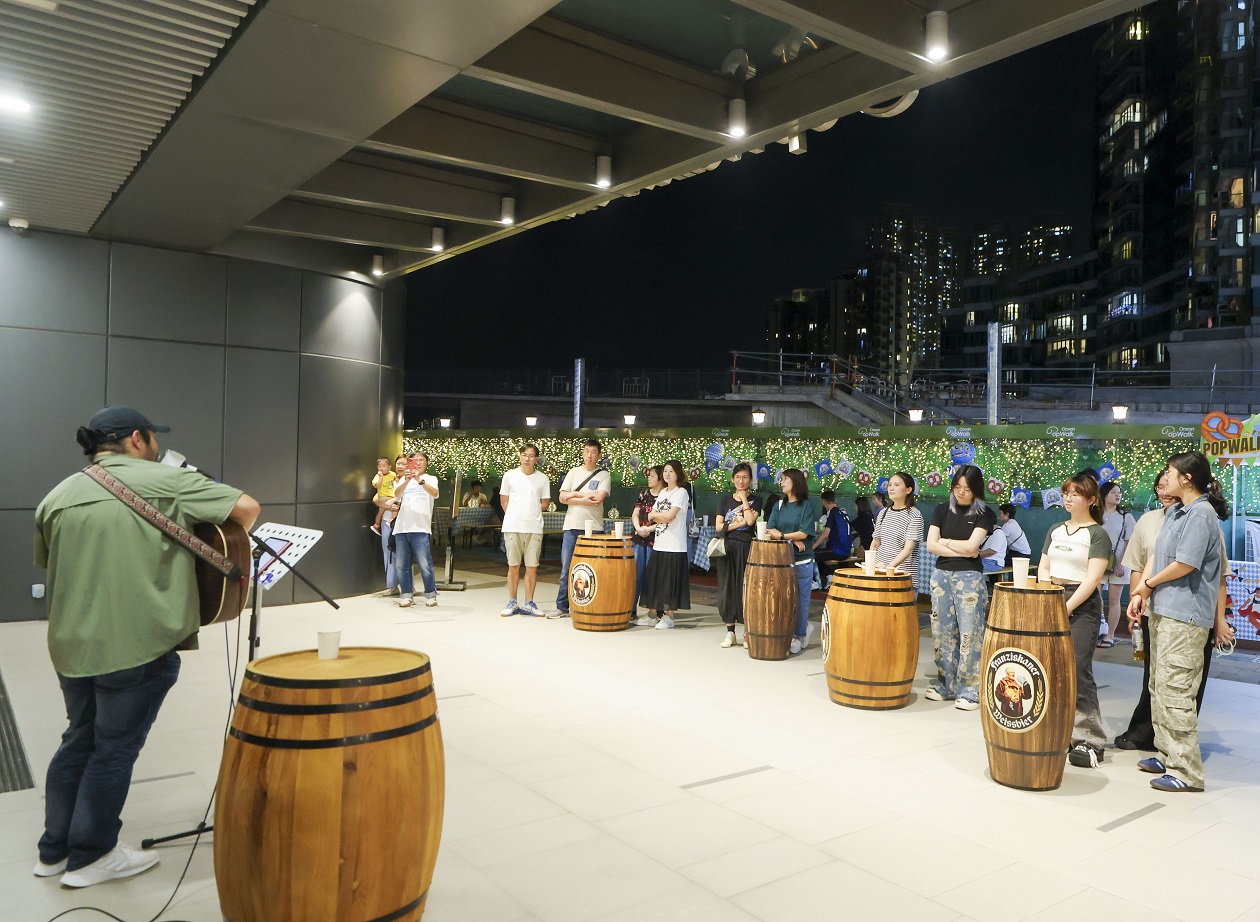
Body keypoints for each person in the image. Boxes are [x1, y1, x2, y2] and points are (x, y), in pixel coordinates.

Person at [33, 406, 259, 888]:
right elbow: (247, 509)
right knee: (112, 750)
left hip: (71, 645)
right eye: (153, 438)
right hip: (136, 642)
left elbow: (49, 562)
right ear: (138, 439)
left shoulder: (57, 495)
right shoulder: (163, 480)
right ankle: (91, 855)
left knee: (79, 739)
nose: (156, 446)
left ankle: (53, 850)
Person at [1126, 451, 1234, 792]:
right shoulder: (1177, 512)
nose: (1165, 478)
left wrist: (1149, 584)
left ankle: (1187, 771)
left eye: (1170, 472)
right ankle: (1166, 752)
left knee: (1177, 692)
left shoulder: (1202, 514)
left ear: (1186, 478)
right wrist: (1141, 594)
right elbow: (1158, 558)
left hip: (1185, 617)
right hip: (1162, 612)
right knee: (1159, 687)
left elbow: (1185, 564)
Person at [1039, 473, 1111, 769]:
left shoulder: (1098, 534)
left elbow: (1093, 579)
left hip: (1082, 604)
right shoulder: (1056, 528)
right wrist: (1047, 595)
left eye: (1076, 493)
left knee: (1078, 668)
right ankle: (1056, 730)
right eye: (1066, 492)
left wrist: (1066, 606)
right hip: (1051, 595)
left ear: (1092, 500)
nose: (1068, 497)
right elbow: (1044, 564)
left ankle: (1089, 739)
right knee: (1050, 666)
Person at [924, 465, 996, 710]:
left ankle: (970, 690)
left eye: (967, 489)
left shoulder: (985, 513)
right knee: (942, 631)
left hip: (969, 577)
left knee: (970, 633)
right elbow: (931, 545)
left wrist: (944, 541)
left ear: (976, 490)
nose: (961, 493)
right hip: (941, 574)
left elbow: (972, 548)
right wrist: (954, 545)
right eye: (957, 488)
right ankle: (947, 684)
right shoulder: (941, 509)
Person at [549, 439, 611, 618]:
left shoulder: (603, 475)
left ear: (598, 455)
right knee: (567, 568)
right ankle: (562, 606)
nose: (589, 455)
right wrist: (582, 498)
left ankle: (592, 605)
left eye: (593, 452)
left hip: (594, 528)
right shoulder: (573, 472)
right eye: (586, 451)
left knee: (593, 569)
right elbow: (561, 497)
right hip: (571, 526)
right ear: (583, 453)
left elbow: (598, 498)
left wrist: (574, 495)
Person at [767, 468, 820, 655]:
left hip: (801, 561)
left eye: (785, 479)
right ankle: (792, 632)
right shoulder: (779, 505)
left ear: (796, 482)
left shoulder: (806, 505)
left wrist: (783, 535)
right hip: (781, 559)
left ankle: (799, 634)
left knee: (801, 599)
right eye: (781, 479)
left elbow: (804, 533)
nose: (781, 483)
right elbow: (769, 529)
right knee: (783, 598)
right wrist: (791, 539)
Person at [498, 444, 551, 617]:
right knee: (513, 566)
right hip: (512, 527)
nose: (527, 458)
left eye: (531, 455)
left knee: (532, 567)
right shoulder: (509, 476)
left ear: (536, 458)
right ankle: (512, 602)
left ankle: (529, 603)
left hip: (534, 528)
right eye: (524, 455)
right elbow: (503, 501)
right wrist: (515, 515)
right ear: (520, 456)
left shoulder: (542, 478)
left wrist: (531, 511)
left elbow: (545, 503)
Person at [638, 460, 692, 629]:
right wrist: (659, 516)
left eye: (671, 471)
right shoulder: (662, 493)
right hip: (659, 543)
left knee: (672, 581)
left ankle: (669, 616)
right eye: (666, 471)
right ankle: (652, 615)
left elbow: (669, 517)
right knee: (654, 580)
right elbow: (650, 515)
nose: (667, 474)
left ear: (678, 474)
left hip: (674, 545)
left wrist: (658, 515)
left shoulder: (681, 493)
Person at [714, 462, 761, 648]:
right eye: (738, 477)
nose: (741, 481)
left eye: (745, 477)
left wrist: (743, 501)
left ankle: (747, 633)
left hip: (746, 547)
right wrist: (738, 523)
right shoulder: (724, 501)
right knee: (727, 587)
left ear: (750, 480)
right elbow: (719, 527)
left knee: (745, 588)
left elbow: (750, 522)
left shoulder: (756, 500)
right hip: (727, 548)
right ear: (733, 479)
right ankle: (730, 631)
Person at [389, 452, 439, 608]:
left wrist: (419, 480)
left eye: (421, 460)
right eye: (414, 461)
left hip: (421, 527)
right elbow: (396, 494)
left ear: (426, 463)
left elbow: (435, 493)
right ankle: (406, 594)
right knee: (402, 564)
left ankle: (430, 594)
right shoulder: (404, 479)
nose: (417, 463)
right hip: (402, 528)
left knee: (425, 564)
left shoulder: (431, 479)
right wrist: (408, 479)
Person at [1098, 482, 1137, 647]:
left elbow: (1130, 543)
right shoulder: (1095, 514)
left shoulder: (1126, 516)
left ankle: (1110, 635)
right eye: (1113, 492)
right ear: (1104, 495)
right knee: (1095, 597)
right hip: (1098, 562)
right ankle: (1099, 628)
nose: (1117, 495)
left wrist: (1121, 564)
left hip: (1120, 564)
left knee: (1114, 600)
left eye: (1119, 493)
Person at [869, 472, 923, 585]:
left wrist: (889, 568)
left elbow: (908, 549)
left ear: (908, 490)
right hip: (879, 574)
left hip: (901, 577)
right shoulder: (883, 513)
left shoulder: (914, 515)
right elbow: (875, 543)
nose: (891, 488)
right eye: (890, 485)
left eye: (896, 485)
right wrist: (870, 566)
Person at [631, 465, 664, 617]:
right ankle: (631, 608)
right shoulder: (643, 493)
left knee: (653, 574)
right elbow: (635, 513)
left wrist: (648, 530)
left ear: (660, 478)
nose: (649, 478)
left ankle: (655, 609)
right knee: (636, 573)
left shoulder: (665, 496)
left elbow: (666, 520)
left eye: (652, 476)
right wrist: (638, 528)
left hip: (656, 540)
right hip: (639, 538)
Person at [376, 455, 407, 597]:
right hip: (387, 521)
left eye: (403, 463)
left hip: (404, 522)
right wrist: (386, 506)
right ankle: (392, 586)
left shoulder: (409, 481)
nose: (400, 466)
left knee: (404, 554)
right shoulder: (390, 479)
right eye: (398, 463)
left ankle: (408, 586)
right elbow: (376, 498)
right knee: (388, 553)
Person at [813, 490, 853, 582]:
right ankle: (828, 577)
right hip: (847, 551)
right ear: (835, 500)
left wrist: (814, 547)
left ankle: (816, 582)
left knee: (810, 555)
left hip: (837, 551)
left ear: (824, 501)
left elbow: (825, 533)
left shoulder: (832, 513)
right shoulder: (843, 513)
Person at [370, 456, 396, 536]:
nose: (382, 468)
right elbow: (377, 486)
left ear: (389, 467)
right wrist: (381, 477)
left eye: (384, 466)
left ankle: (376, 525)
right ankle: (391, 520)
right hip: (383, 496)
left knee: (381, 511)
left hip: (390, 495)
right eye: (380, 466)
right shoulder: (377, 476)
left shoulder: (392, 474)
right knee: (395, 507)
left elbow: (395, 478)